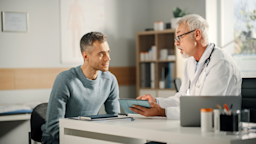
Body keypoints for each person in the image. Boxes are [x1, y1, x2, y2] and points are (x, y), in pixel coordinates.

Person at [130, 14, 242, 119]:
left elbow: (206, 109)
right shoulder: (190, 63)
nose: (176, 43)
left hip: (220, 129)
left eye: (180, 36)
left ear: (197, 34)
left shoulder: (221, 63)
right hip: (196, 126)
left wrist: (162, 111)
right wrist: (156, 102)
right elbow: (181, 99)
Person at [41, 32, 120, 144]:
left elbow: (115, 119)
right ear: (86, 56)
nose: (108, 58)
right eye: (101, 54)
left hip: (86, 136)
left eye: (108, 52)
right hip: (56, 137)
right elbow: (53, 125)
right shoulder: (65, 79)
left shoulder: (110, 80)